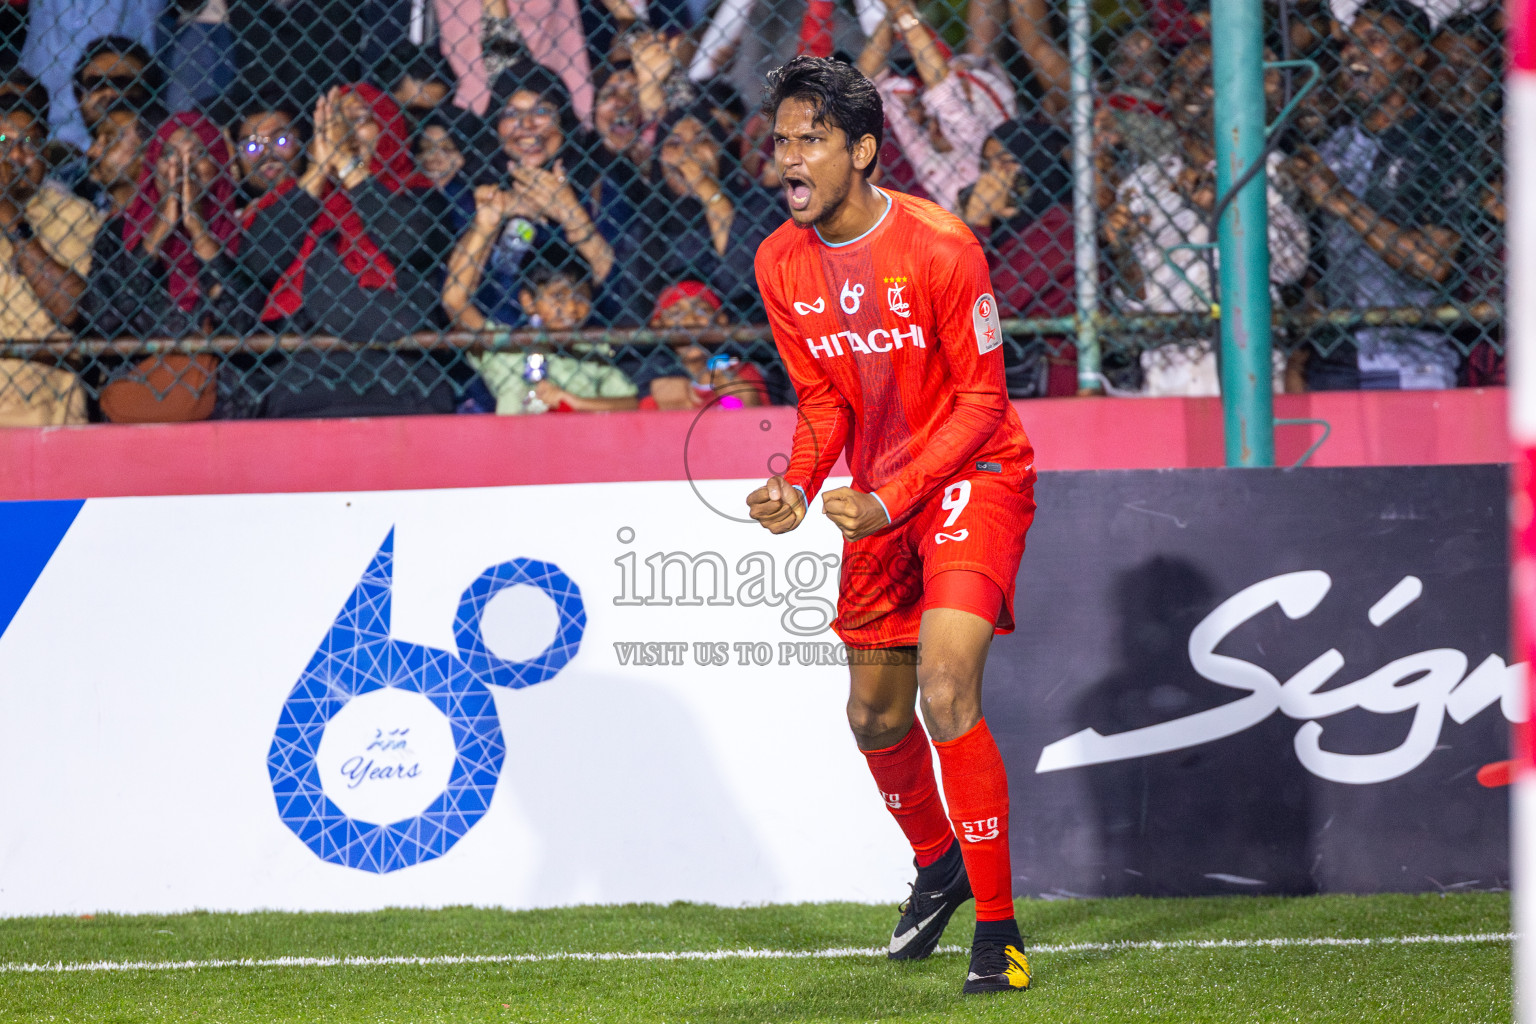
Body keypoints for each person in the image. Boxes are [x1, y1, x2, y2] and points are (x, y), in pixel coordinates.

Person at [748, 55, 1034, 995]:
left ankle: (999, 932)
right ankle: (939, 862)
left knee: (946, 690)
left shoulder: (942, 245)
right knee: (873, 715)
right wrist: (797, 484)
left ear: (864, 151)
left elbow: (983, 402)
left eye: (813, 139)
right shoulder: (779, 261)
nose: (791, 157)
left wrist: (891, 494)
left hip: (971, 476)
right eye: (783, 140)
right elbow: (823, 400)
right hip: (880, 496)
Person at [1284, 0, 1471, 391]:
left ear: (1414, 58)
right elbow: (1316, 268)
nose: (1354, 53)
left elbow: (1432, 263)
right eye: (1350, 42)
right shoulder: (1333, 146)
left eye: (1375, 40)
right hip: (1335, 356)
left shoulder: (1442, 140)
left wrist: (1341, 201)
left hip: (1408, 360)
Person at [1104, 38, 1306, 395]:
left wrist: (1222, 209)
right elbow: (1135, 307)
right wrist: (1123, 252)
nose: (1191, 90)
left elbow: (1291, 266)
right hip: (1168, 377)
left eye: (1207, 78)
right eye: (1181, 80)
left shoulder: (1267, 170)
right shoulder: (1145, 183)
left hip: (1250, 372)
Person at [443, 67, 617, 329]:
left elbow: (622, 290)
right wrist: (489, 223)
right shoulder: (471, 190)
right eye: (511, 114)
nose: (527, 125)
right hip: (498, 342)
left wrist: (570, 212)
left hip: (589, 339)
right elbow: (452, 298)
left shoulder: (598, 185)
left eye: (542, 111)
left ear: (564, 122)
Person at [80, 109, 239, 340]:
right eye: (169, 154)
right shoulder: (117, 233)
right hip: (140, 363)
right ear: (152, 166)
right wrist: (160, 228)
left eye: (198, 153)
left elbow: (239, 322)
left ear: (219, 163)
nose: (183, 165)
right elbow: (102, 319)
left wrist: (199, 230)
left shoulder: (243, 230)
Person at [0, 68, 101, 424]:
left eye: (28, 143)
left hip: (47, 420)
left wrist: (11, 220)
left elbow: (72, 308)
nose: (15, 156)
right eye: (3, 142)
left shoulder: (75, 214)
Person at [855, 0, 1015, 214]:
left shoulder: (975, 149)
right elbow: (862, 86)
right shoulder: (926, 136)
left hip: (985, 97)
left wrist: (900, 11)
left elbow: (945, 94)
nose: (928, 117)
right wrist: (895, 13)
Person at [959, 119, 1075, 396]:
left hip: (1053, 386)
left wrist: (977, 223)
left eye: (1006, 163)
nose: (993, 177)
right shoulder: (1010, 228)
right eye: (987, 165)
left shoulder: (1059, 228)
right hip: (1012, 380)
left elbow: (981, 305)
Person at [469, 251, 640, 414]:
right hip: (518, 434)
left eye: (580, 297)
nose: (571, 307)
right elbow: (456, 302)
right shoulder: (510, 347)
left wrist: (575, 402)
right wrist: (485, 230)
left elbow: (630, 403)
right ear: (529, 301)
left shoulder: (591, 350)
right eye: (558, 296)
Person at [639, 280, 768, 409]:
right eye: (676, 313)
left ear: (720, 320)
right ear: (657, 325)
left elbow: (757, 413)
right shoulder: (658, 384)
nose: (690, 320)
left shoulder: (737, 369)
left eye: (702, 311)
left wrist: (741, 401)